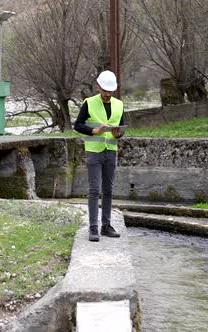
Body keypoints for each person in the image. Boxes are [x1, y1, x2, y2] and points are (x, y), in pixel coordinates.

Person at [74, 70, 125, 242]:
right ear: (99, 87)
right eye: (105, 91)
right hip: (94, 152)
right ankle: (93, 228)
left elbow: (120, 129)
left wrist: (118, 135)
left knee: (108, 190)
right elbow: (78, 125)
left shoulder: (119, 105)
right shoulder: (89, 103)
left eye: (110, 91)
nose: (107, 94)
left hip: (111, 152)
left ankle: (106, 226)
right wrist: (94, 131)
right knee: (94, 190)